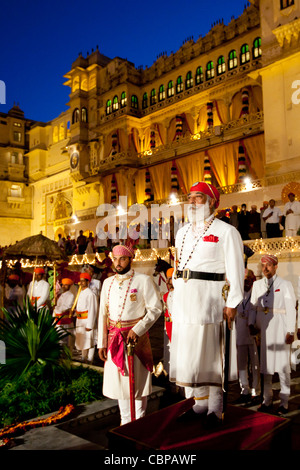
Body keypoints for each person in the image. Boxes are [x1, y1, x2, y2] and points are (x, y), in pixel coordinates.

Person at [170, 181, 244, 427]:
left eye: (198, 197)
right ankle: (199, 404)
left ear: (212, 202)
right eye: (189, 197)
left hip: (210, 302)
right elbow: (178, 267)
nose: (191, 201)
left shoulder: (226, 231)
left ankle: (215, 409)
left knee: (212, 356)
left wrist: (232, 302)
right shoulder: (181, 232)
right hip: (184, 303)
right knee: (192, 355)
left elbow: (236, 269)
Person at [98, 244, 162, 425]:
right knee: (121, 385)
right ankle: (125, 423)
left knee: (138, 382)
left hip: (136, 340)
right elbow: (102, 314)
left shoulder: (143, 280)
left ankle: (139, 423)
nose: (118, 263)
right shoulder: (107, 283)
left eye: (122, 259)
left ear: (130, 259)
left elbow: (156, 308)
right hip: (114, 340)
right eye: (115, 259)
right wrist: (101, 343)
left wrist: (138, 329)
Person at [248, 255, 297, 415]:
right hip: (265, 330)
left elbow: (291, 308)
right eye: (263, 266)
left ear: (276, 266)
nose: (265, 268)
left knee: (283, 368)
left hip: (281, 328)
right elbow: (253, 307)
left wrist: (291, 330)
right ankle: (267, 400)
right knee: (265, 367)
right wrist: (251, 324)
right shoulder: (257, 285)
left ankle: (284, 402)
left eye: (269, 265)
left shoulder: (285, 284)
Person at [235, 269, 260, 403]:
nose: (245, 283)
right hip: (239, 332)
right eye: (243, 280)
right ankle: (244, 389)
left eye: (248, 280)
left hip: (252, 333)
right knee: (241, 364)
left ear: (252, 280)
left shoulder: (256, 294)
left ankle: (256, 392)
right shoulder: (237, 294)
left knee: (255, 364)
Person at [74, 272, 98, 363]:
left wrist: (90, 324)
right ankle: (83, 358)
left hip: (87, 320)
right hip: (80, 320)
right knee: (83, 341)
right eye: (81, 281)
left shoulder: (90, 294)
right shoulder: (81, 293)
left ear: (88, 282)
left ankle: (90, 359)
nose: (82, 283)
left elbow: (92, 310)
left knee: (90, 341)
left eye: (83, 281)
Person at [53, 278, 75, 350]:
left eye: (66, 285)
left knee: (64, 338)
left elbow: (67, 306)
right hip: (58, 319)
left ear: (69, 286)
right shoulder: (60, 295)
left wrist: (58, 309)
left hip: (65, 319)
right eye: (63, 285)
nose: (64, 286)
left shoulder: (71, 295)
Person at [162, 268, 174, 375]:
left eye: (171, 279)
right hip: (167, 325)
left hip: (176, 326)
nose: (168, 281)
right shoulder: (165, 295)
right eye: (168, 279)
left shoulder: (179, 295)